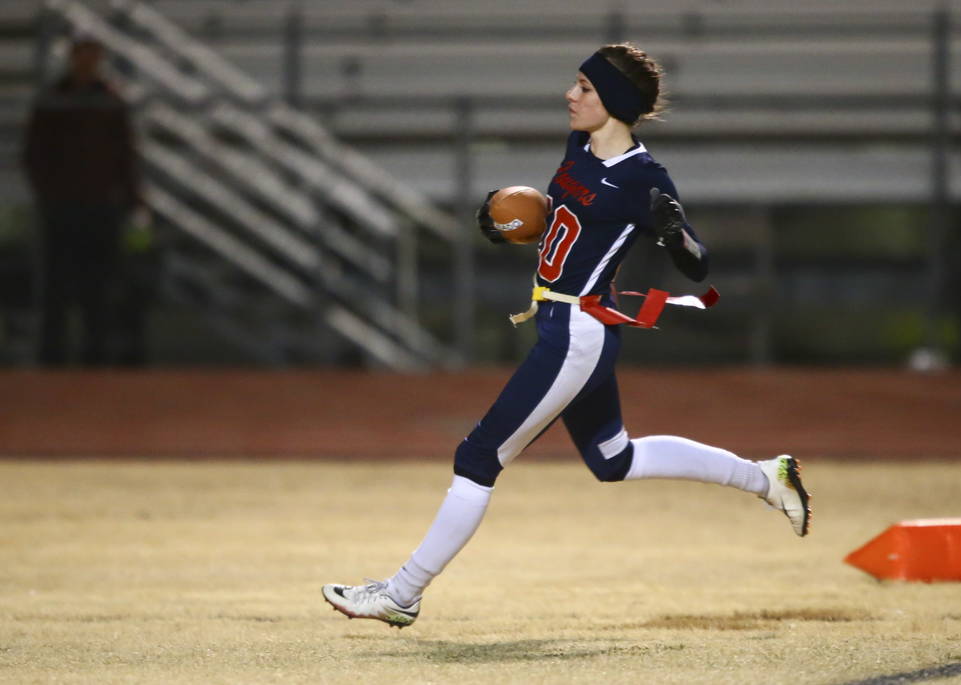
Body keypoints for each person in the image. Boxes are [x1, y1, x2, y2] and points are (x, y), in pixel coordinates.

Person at [322, 43, 811, 628]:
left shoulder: (645, 177)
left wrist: (674, 233)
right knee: (614, 459)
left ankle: (402, 593)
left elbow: (698, 264)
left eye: (584, 87)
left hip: (579, 332)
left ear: (616, 101)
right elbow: (569, 218)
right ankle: (766, 477)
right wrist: (517, 220)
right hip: (569, 326)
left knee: (478, 455)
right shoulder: (580, 144)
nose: (570, 95)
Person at [21, 33, 144, 366]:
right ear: (72, 58)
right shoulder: (51, 100)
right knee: (54, 287)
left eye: (94, 57)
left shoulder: (110, 100)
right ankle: (51, 359)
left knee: (99, 286)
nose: (88, 63)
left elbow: (125, 154)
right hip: (60, 205)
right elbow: (34, 153)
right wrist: (48, 191)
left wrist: (133, 199)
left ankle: (96, 359)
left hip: (101, 204)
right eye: (82, 56)